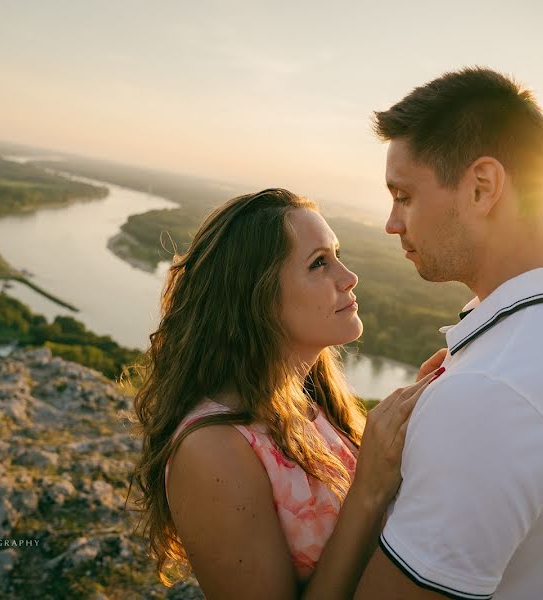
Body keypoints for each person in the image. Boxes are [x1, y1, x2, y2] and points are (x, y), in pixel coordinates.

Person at [352, 67, 543, 599]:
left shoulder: (493, 394)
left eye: (403, 195)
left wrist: (369, 487)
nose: (391, 222)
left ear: (482, 188)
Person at [126, 188, 442, 599]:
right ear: (257, 298)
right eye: (319, 264)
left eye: (337, 255)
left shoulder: (313, 403)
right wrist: (368, 487)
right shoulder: (212, 450)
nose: (349, 277)